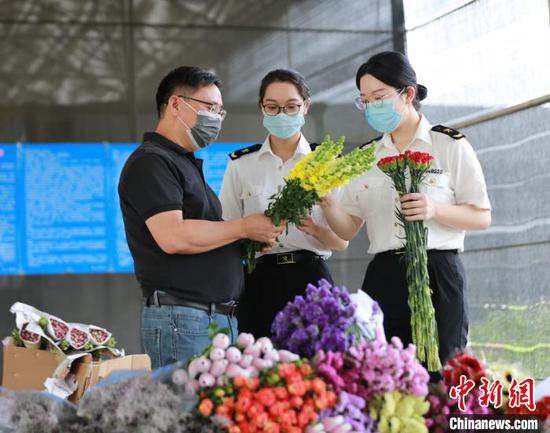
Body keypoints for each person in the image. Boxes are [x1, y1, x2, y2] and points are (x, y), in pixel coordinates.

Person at [321, 51, 491, 373]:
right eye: (364, 100)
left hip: (438, 272)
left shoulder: (449, 145)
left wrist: (434, 209)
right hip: (385, 274)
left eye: (379, 97)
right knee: (382, 374)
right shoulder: (366, 157)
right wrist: (328, 202)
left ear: (408, 93)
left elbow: (482, 216)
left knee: (443, 371)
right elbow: (346, 229)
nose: (371, 106)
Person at [118, 66, 284, 369]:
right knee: (189, 413)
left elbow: (200, 234)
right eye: (210, 108)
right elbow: (174, 236)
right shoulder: (153, 162)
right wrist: (244, 226)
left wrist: (242, 242)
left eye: (221, 111)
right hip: (183, 318)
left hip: (210, 319)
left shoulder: (182, 162)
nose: (217, 119)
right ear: (176, 105)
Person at [219, 69, 348, 338]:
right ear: (262, 108)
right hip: (259, 280)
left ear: (306, 106)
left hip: (311, 278)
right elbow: (227, 230)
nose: (281, 114)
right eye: (272, 107)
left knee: (319, 367)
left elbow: (341, 241)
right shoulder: (242, 164)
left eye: (291, 106)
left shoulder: (325, 163)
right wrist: (251, 236)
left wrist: (315, 229)